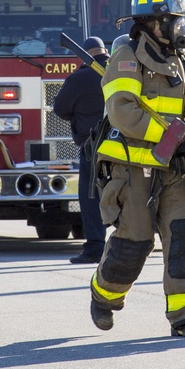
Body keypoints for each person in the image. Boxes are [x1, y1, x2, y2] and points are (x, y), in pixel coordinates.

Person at [88, 0, 185, 337]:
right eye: (177, 19)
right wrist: (172, 140)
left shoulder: (184, 62)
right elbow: (123, 111)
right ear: (153, 23)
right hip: (132, 170)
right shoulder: (126, 58)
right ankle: (104, 296)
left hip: (176, 171)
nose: (183, 27)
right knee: (135, 245)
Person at [53, 37, 109, 263]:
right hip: (128, 144)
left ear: (84, 55)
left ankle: (95, 247)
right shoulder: (125, 72)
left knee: (91, 196)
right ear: (106, 51)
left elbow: (60, 109)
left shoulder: (80, 78)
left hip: (92, 146)